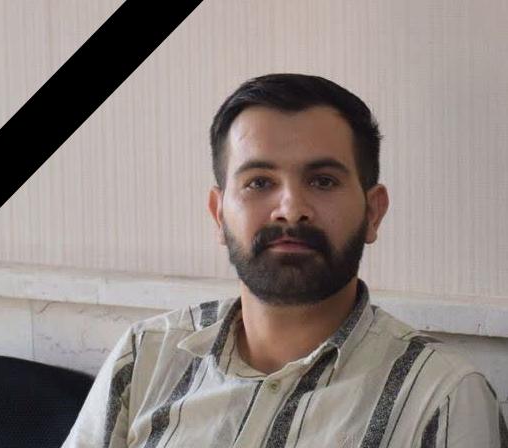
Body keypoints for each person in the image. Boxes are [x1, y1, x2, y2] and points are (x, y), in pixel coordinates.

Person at [63, 74, 507, 448]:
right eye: (259, 182)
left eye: (323, 181)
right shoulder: (145, 356)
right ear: (218, 215)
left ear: (373, 213)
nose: (291, 209)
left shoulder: (441, 396)